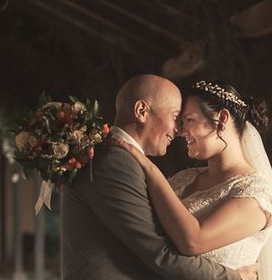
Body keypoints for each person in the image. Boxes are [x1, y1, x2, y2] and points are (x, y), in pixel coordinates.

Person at [61, 74, 257, 280]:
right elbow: (160, 252)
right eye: (176, 117)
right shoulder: (115, 161)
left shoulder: (119, 158)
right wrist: (235, 277)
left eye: (187, 120)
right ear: (142, 111)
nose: (179, 130)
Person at [111, 80, 272, 279]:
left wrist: (148, 167)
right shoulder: (185, 178)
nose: (181, 131)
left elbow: (194, 241)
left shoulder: (255, 195)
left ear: (222, 118)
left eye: (189, 120)